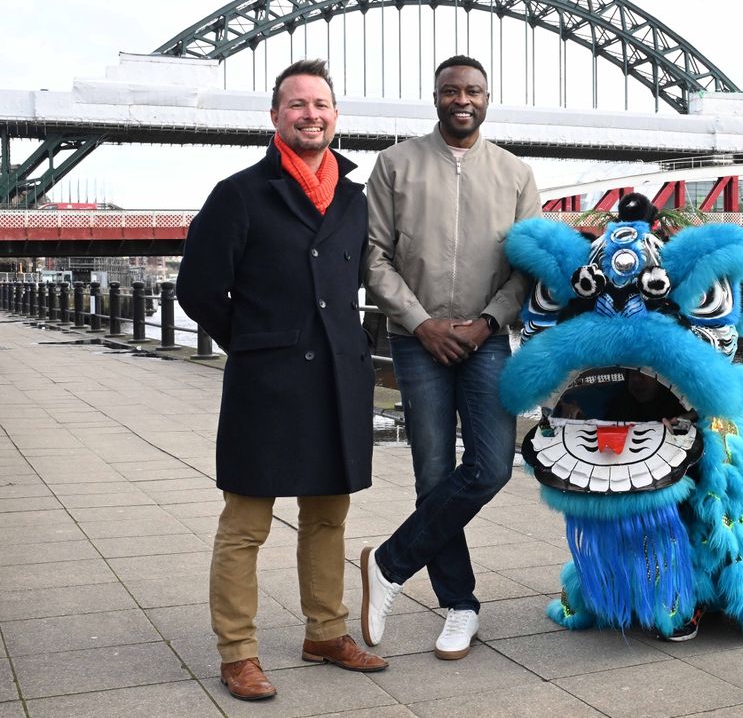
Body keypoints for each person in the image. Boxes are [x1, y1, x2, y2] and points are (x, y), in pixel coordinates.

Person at [176, 59, 386, 701]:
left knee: (329, 516)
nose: (310, 114)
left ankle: (326, 632)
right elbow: (199, 289)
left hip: (337, 383)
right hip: (267, 383)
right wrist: (257, 343)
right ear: (275, 117)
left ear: (335, 117)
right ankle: (237, 651)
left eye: (321, 104)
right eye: (297, 104)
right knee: (246, 522)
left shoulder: (354, 197)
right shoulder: (239, 193)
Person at [361, 54, 542, 660]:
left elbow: (528, 267)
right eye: (450, 90)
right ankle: (459, 605)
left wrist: (488, 321)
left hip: (487, 338)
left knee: (491, 467)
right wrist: (422, 322)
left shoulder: (515, 174)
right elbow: (374, 258)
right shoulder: (394, 165)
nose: (462, 99)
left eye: (473, 90)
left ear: (487, 99)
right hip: (417, 341)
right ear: (434, 96)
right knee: (433, 476)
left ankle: (387, 564)